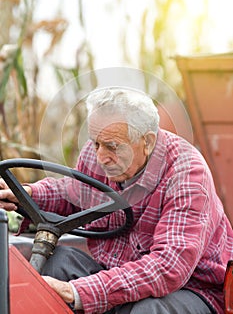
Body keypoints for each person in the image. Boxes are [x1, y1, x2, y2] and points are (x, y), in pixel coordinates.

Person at [0, 87, 233, 314]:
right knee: (58, 261)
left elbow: (168, 268)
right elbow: (77, 191)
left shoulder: (186, 173)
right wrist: (27, 193)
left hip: (190, 290)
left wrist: (75, 291)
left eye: (112, 147)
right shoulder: (100, 153)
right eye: (95, 143)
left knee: (149, 309)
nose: (100, 157)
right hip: (117, 274)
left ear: (148, 142)